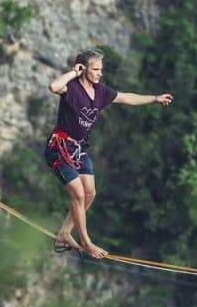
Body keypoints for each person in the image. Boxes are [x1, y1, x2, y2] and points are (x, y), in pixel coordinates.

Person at [45, 48, 173, 260]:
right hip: (59, 148)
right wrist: (73, 72)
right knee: (78, 195)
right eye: (95, 69)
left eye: (101, 69)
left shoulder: (101, 92)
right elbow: (53, 86)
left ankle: (65, 233)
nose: (100, 73)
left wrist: (155, 98)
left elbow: (127, 98)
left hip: (79, 149)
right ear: (83, 68)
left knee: (90, 194)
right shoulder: (71, 87)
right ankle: (86, 242)